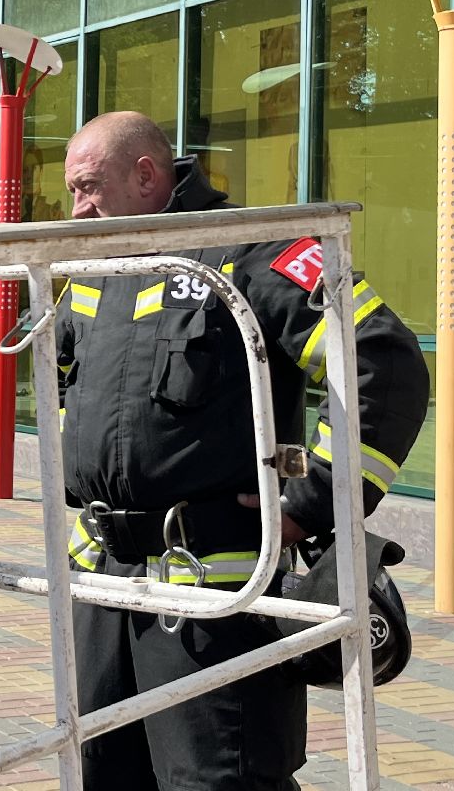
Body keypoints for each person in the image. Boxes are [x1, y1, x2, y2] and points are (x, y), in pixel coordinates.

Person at [56, 111, 428, 790]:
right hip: (104, 586)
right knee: (105, 771)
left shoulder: (249, 249)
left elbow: (380, 359)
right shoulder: (99, 267)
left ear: (146, 175)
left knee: (219, 779)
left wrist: (309, 501)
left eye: (88, 187)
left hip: (216, 588)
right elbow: (61, 377)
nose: (77, 208)